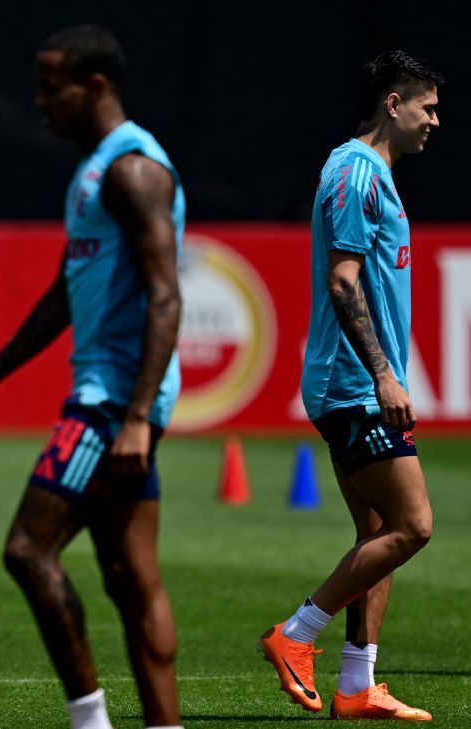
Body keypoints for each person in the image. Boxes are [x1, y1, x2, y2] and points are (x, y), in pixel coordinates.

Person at [0, 25, 184, 729]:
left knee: (28, 550)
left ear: (96, 86)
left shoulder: (133, 170)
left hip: (113, 404)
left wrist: (137, 415)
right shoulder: (94, 169)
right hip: (116, 400)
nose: (40, 101)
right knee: (130, 578)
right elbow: (64, 293)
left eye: (52, 88)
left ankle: (90, 722)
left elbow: (167, 295)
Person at [260, 50, 441, 722]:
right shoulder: (354, 172)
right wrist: (384, 373)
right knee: (414, 524)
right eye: (427, 106)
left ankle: (357, 684)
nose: (436, 120)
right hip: (353, 387)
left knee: (376, 533)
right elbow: (342, 281)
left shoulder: (375, 175)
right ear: (393, 103)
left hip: (357, 384)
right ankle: (296, 635)